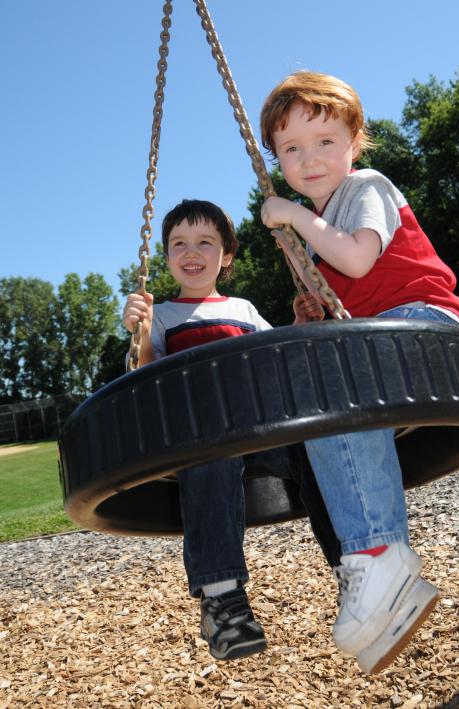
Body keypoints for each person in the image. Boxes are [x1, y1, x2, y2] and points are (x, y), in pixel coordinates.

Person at [259, 71, 459, 674]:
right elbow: (341, 295)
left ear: (356, 142)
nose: (310, 159)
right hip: (379, 342)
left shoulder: (365, 187)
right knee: (317, 386)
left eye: (325, 141)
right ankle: (372, 562)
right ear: (277, 157)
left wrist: (294, 218)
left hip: (425, 326)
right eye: (291, 149)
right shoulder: (314, 221)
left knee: (334, 372)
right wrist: (310, 304)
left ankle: (379, 554)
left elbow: (357, 255)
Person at [123, 198, 334, 662]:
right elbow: (146, 378)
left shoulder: (242, 307)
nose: (191, 251)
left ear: (228, 255)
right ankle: (222, 601)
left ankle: (351, 567)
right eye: (179, 243)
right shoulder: (161, 316)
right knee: (210, 451)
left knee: (317, 447)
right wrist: (139, 333)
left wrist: (299, 323)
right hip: (200, 437)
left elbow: (273, 355)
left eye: (205, 241)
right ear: (166, 255)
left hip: (257, 431)